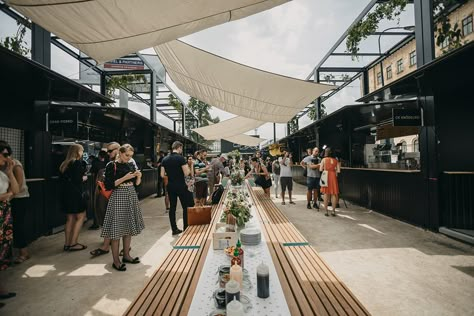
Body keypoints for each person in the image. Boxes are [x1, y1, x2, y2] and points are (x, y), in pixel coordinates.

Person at [102, 144, 144, 271]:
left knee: (128, 229)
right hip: (118, 196)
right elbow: (109, 185)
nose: (129, 158)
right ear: (120, 153)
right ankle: (116, 261)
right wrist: (124, 178)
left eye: (131, 156)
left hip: (131, 195)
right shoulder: (111, 165)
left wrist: (139, 177)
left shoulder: (130, 164)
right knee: (116, 230)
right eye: (127, 155)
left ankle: (126, 255)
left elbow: (137, 185)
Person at [3, 141, 31, 264]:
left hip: (19, 199)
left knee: (18, 225)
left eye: (6, 154)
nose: (5, 156)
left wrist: (7, 196)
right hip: (7, 199)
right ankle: (7, 254)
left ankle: (23, 253)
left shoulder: (15, 165)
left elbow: (18, 188)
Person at [0, 141, 20, 304]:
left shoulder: (4, 172)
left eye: (8, 154)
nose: (8, 158)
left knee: (3, 248)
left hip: (4, 212)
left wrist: (10, 171)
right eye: (5, 154)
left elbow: (15, 190)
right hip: (2, 208)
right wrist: (5, 196)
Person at [59, 144, 88, 251]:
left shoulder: (64, 164)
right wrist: (84, 178)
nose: (82, 152)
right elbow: (78, 179)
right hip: (75, 195)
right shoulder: (76, 163)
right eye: (81, 150)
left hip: (65, 195)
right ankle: (73, 243)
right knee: (81, 216)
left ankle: (67, 244)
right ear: (77, 151)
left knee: (69, 219)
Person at [161, 141, 192, 235]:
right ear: (179, 147)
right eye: (181, 148)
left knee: (172, 208)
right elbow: (187, 173)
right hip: (181, 186)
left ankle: (174, 229)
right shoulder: (181, 158)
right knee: (185, 207)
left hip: (170, 186)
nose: (181, 150)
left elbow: (162, 174)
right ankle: (186, 227)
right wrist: (190, 166)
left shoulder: (164, 159)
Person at [89, 150, 108, 230]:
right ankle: (104, 222)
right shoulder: (108, 163)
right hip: (107, 186)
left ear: (99, 155)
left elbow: (92, 173)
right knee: (105, 205)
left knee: (96, 203)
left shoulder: (95, 163)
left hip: (97, 185)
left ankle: (96, 222)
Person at [320, 147, 340, 216]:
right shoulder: (336, 160)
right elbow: (338, 171)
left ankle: (326, 211)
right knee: (334, 194)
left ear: (326, 152)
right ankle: (333, 211)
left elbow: (320, 169)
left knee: (326, 193)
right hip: (333, 176)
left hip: (325, 175)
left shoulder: (324, 159)